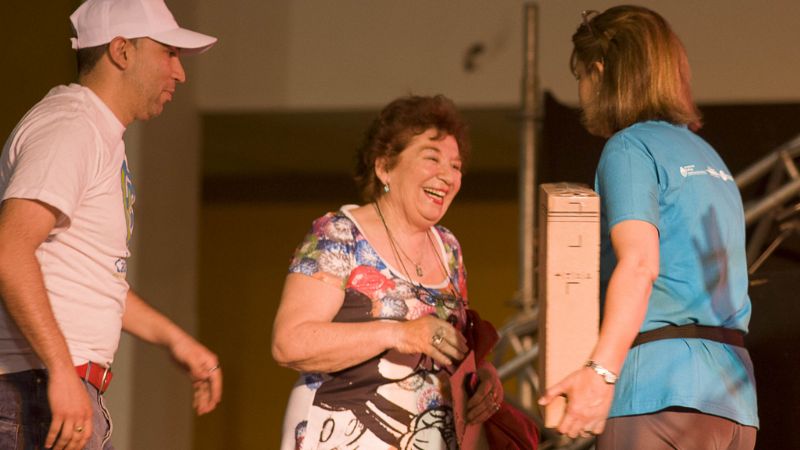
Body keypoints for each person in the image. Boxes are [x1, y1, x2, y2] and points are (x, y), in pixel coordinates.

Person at [0, 1, 222, 449]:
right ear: (122, 51)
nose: (179, 74)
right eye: (169, 53)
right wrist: (62, 372)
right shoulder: (72, 126)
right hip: (34, 391)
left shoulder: (97, 134)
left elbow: (89, 276)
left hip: (49, 386)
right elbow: (10, 248)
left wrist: (175, 340)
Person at [538, 5, 758, 450]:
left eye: (581, 75)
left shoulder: (629, 147)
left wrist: (600, 373)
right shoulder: (711, 159)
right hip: (734, 407)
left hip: (656, 394)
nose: (581, 89)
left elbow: (640, 264)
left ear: (599, 71)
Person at [272, 95, 505, 449]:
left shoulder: (448, 248)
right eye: (431, 158)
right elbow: (289, 343)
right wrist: (398, 334)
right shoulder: (339, 234)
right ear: (384, 167)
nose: (447, 175)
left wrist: (482, 376)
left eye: (456, 166)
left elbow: (450, 348)